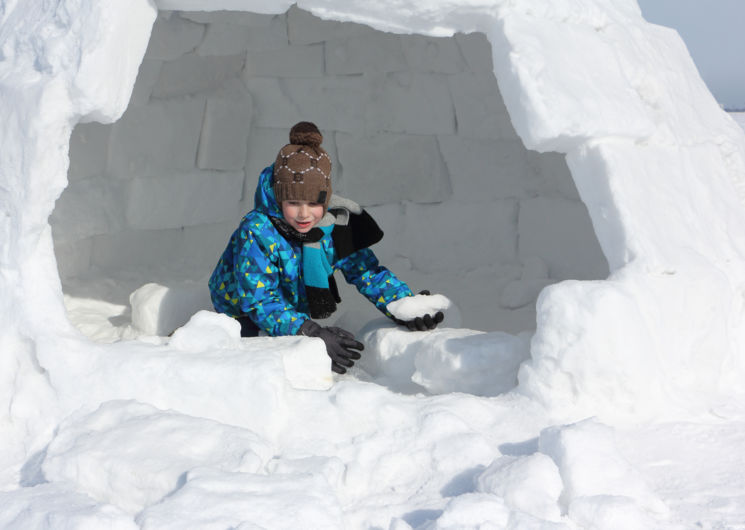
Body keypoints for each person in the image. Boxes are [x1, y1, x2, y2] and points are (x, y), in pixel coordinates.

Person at [209, 122, 444, 373]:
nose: (304, 214)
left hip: (290, 305)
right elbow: (259, 300)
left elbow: (365, 271)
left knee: (291, 338)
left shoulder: (332, 225)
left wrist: (403, 305)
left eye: (313, 203)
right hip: (239, 309)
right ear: (279, 198)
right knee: (260, 358)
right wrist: (310, 331)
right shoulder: (257, 230)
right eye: (293, 202)